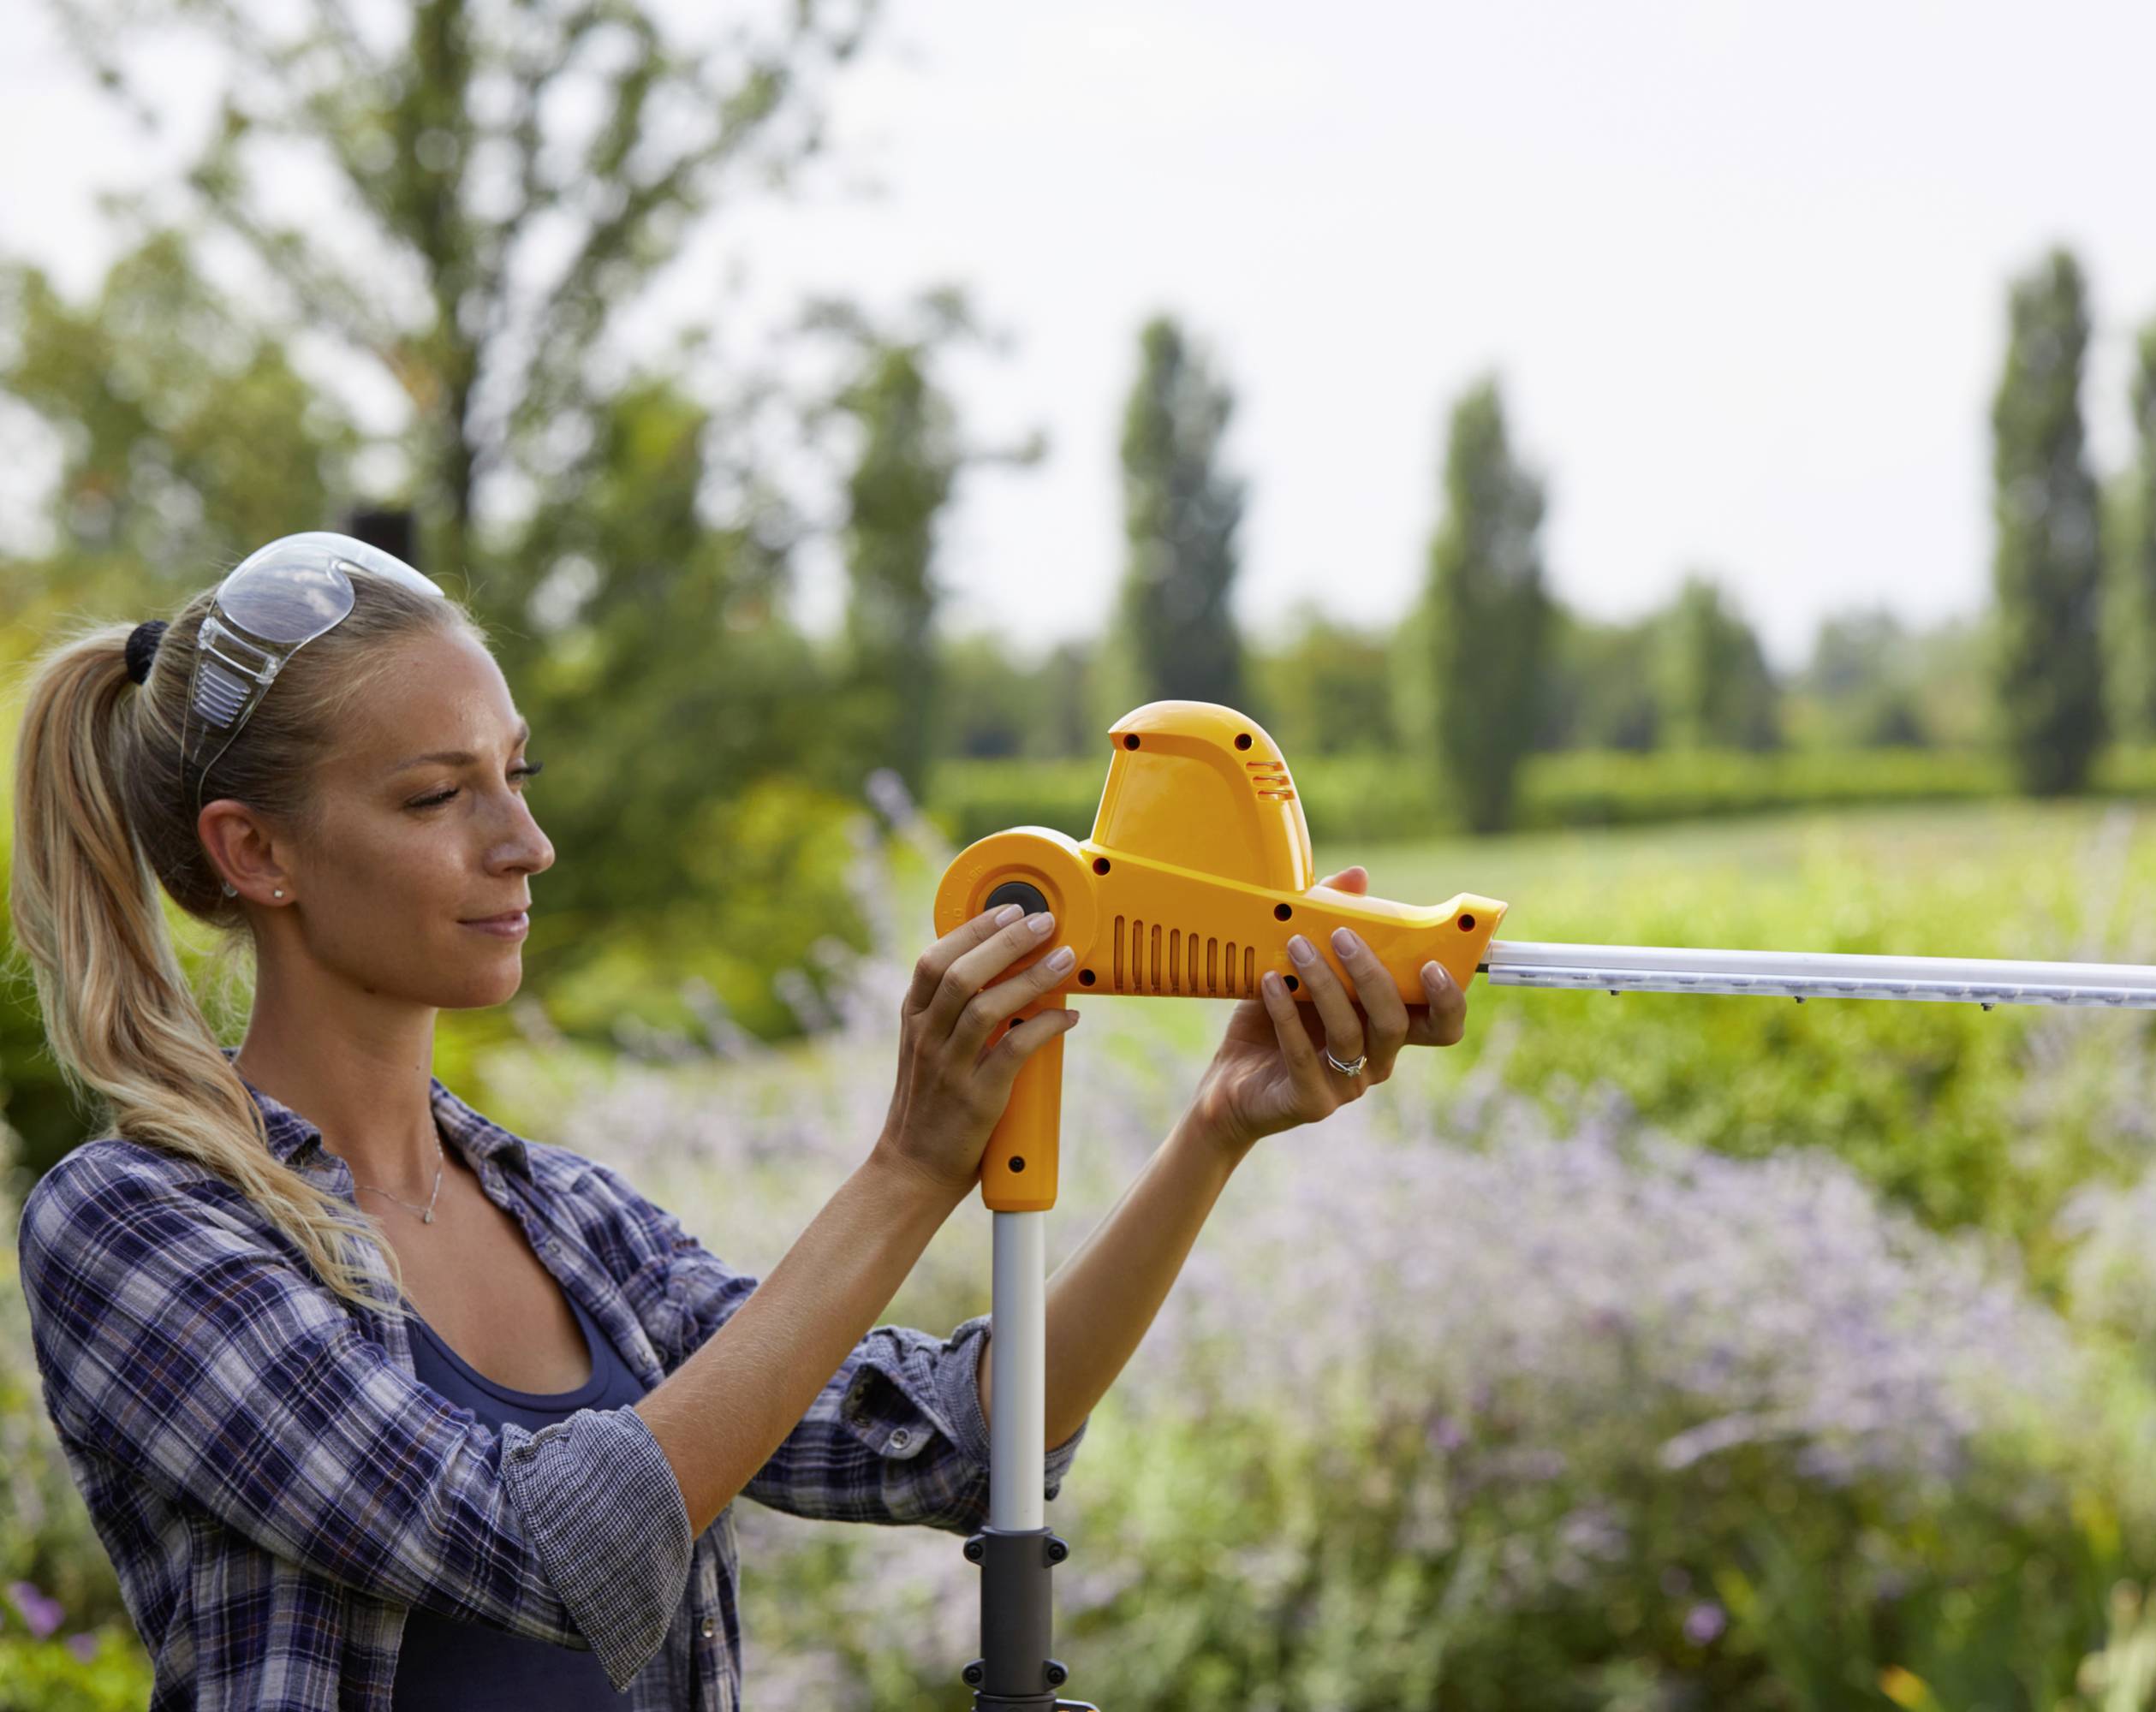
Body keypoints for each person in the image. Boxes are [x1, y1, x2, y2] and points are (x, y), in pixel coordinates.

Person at [5, 532, 1470, 1711]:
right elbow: (541, 1548)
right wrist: (907, 1169)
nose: (526, 843)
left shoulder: (565, 1221)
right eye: (439, 796)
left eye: (515, 776)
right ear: (254, 851)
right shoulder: (137, 1227)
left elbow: (954, 1443)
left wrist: (1216, 1128)